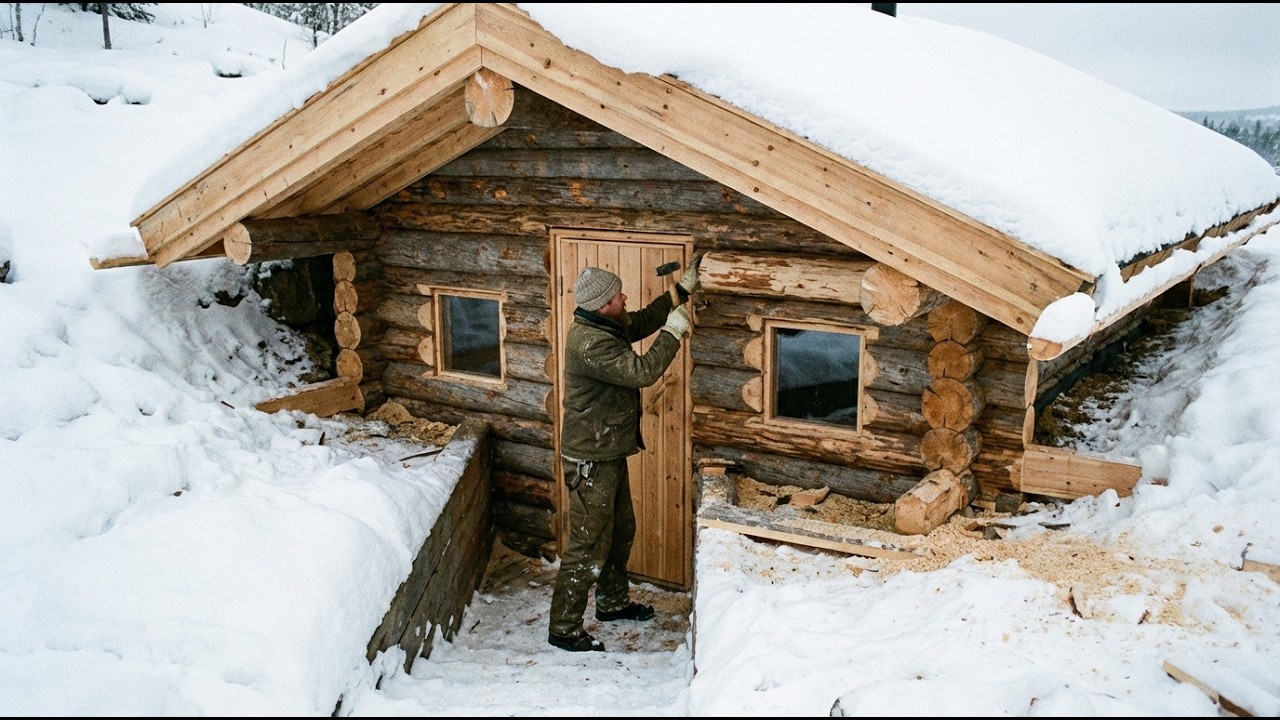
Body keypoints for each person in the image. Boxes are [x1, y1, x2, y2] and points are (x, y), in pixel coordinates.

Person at [548, 258, 701, 652]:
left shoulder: (605, 323)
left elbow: (643, 319)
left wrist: (682, 290)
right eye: (618, 296)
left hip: (608, 450)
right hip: (590, 459)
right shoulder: (590, 343)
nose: (624, 298)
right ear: (603, 305)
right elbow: (642, 371)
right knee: (587, 543)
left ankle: (612, 602)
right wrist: (674, 332)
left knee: (621, 530)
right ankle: (564, 628)